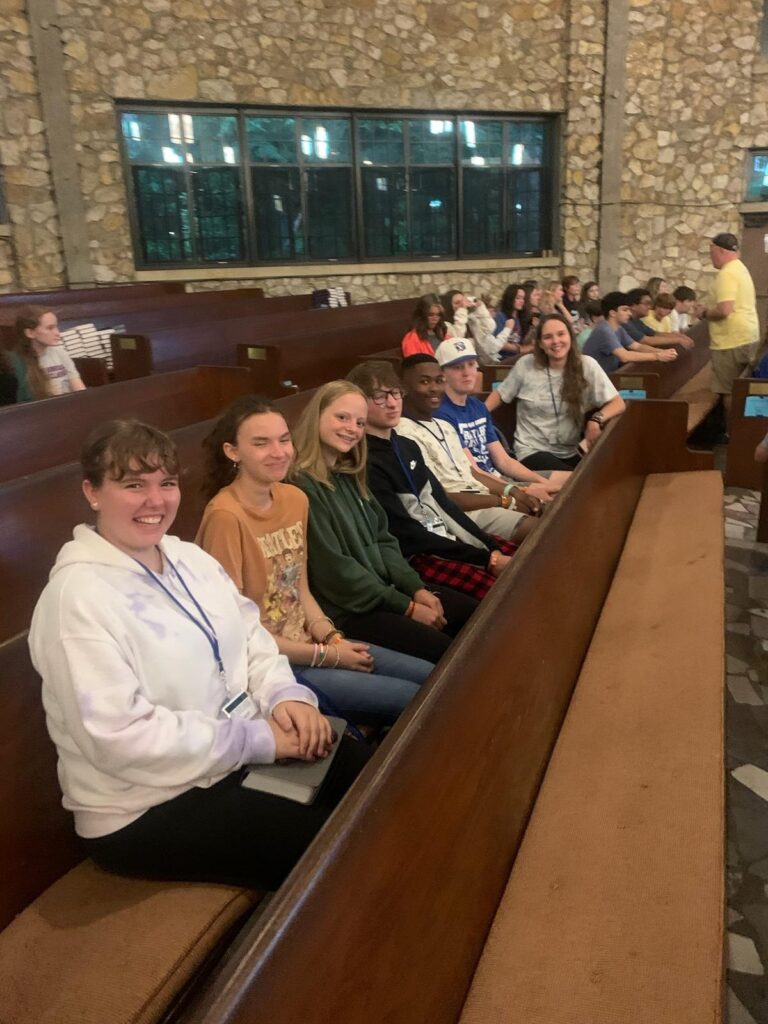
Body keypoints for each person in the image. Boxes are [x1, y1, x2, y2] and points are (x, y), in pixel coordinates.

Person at [28, 419, 367, 891]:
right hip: (147, 804)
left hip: (231, 757)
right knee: (340, 850)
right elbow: (118, 738)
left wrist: (284, 695)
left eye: (166, 483)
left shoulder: (187, 558)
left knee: (367, 773)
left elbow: (251, 636)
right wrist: (259, 740)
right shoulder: (76, 599)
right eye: (133, 485)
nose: (155, 500)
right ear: (93, 492)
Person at [196, 396, 434, 722]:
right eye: (261, 443)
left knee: (432, 676)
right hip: (274, 666)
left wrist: (331, 637)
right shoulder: (225, 516)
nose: (279, 452)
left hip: (315, 643)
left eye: (284, 440)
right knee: (416, 700)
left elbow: (299, 589)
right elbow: (237, 632)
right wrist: (327, 655)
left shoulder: (294, 498)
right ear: (232, 451)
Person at [290, 380, 477, 662]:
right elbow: (336, 572)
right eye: (342, 417)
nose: (352, 428)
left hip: (383, 592)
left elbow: (384, 540)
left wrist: (416, 589)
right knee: (448, 651)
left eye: (360, 423)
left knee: (472, 613)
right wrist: (407, 607)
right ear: (317, 415)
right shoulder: (301, 487)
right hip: (349, 609)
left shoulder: (349, 474)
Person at [347, 361, 521, 601]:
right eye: (379, 396)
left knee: (524, 558)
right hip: (418, 554)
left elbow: (444, 504)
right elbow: (405, 533)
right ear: (360, 403)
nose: (392, 402)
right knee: (505, 593)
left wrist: (490, 548)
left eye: (395, 392)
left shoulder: (407, 445)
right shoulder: (366, 461)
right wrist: (484, 559)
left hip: (445, 538)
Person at [398, 355, 543, 541]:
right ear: (404, 388)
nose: (434, 388)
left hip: (483, 497)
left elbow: (471, 472)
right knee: (542, 531)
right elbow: (439, 497)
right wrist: (504, 501)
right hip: (460, 513)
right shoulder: (403, 433)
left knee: (546, 509)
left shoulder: (445, 426)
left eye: (439, 381)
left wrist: (514, 491)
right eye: (424, 382)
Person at [486, 313, 626, 472]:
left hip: (570, 451)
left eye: (561, 334)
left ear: (570, 337)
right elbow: (500, 394)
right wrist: (479, 415)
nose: (555, 341)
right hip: (530, 450)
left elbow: (618, 403)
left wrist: (596, 420)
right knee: (574, 482)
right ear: (540, 344)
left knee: (597, 475)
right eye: (548, 337)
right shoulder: (525, 364)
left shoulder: (587, 365)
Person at [433, 337, 565, 498]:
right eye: (457, 367)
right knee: (560, 497)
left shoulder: (478, 406)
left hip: (500, 477)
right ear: (442, 374)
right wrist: (522, 489)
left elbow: (504, 461)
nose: (467, 373)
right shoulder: (441, 414)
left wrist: (544, 483)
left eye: (471, 364)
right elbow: (474, 472)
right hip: (484, 488)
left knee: (573, 479)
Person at [701, 232, 760, 412]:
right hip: (747, 336)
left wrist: (704, 312)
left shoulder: (727, 273)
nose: (710, 256)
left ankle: (732, 428)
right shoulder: (740, 268)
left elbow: (724, 310)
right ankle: (743, 427)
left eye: (711, 251)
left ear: (720, 250)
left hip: (730, 341)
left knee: (730, 391)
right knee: (743, 389)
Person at [583, 291, 678, 375]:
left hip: (609, 376)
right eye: (625, 310)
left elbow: (637, 346)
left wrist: (662, 352)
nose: (629, 313)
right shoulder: (604, 330)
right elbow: (625, 356)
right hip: (596, 380)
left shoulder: (619, 328)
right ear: (612, 313)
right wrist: (657, 356)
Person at [10, 306, 85, 401]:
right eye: (50, 328)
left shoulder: (60, 353)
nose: (57, 333)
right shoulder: (18, 363)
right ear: (30, 333)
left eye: (56, 327)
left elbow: (79, 388)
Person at [440, 289, 507, 362]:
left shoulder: (470, 319)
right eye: (457, 303)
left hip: (480, 360)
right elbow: (458, 337)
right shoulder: (446, 325)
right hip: (460, 362)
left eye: (463, 301)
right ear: (448, 306)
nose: (462, 304)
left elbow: (489, 328)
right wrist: (462, 310)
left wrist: (480, 307)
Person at [624, 288, 693, 350]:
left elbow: (655, 334)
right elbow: (645, 340)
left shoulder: (636, 321)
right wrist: (678, 340)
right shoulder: (626, 321)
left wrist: (680, 336)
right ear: (633, 306)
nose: (649, 307)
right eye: (646, 304)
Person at [493, 284, 531, 356]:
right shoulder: (500, 316)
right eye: (518, 298)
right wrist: (520, 349)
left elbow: (519, 340)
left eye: (523, 298)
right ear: (510, 298)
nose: (522, 301)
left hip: (516, 356)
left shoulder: (519, 317)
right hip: (502, 357)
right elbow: (498, 343)